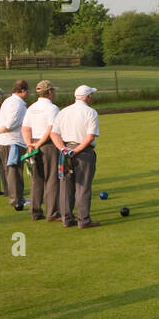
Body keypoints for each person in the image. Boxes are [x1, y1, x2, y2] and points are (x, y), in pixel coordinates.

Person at [51, 85, 101, 229]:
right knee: (83, 186)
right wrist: (77, 150)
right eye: (91, 95)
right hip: (84, 152)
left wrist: (63, 149)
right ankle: (84, 220)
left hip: (65, 151)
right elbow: (90, 136)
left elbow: (54, 133)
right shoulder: (91, 112)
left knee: (66, 185)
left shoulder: (64, 111)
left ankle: (67, 219)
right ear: (88, 97)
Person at [21, 80, 61, 222]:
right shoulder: (53, 109)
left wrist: (30, 144)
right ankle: (53, 213)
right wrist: (38, 144)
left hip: (33, 144)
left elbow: (25, 128)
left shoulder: (31, 108)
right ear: (49, 92)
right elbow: (51, 129)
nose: (54, 94)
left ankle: (35, 212)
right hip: (48, 145)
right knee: (51, 179)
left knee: (36, 179)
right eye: (53, 91)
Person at [0, 80, 30, 211]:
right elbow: (11, 123)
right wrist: (0, 131)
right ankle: (17, 201)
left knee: (13, 172)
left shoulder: (9, 101)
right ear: (23, 91)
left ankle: (19, 198)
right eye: (27, 91)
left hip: (6, 142)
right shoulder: (17, 104)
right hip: (12, 143)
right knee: (14, 172)